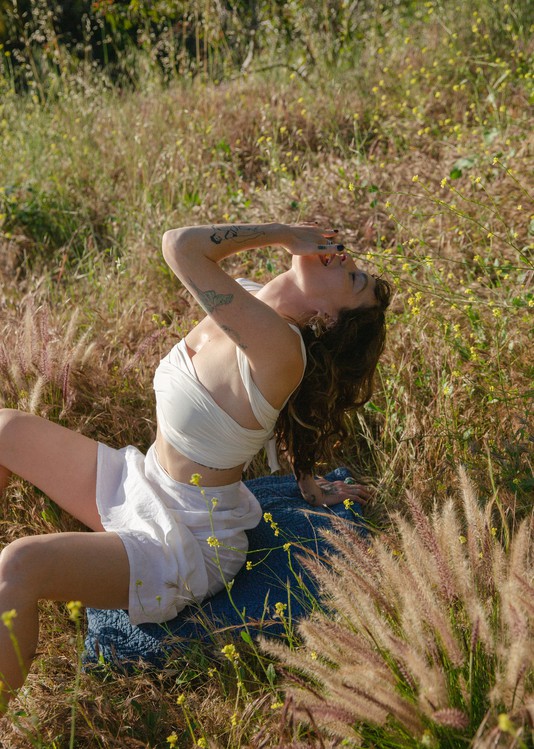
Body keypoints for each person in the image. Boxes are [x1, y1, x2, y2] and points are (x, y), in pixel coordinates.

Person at [0, 222, 390, 709]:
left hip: (185, 540)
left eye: (354, 280)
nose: (346, 259)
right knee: (4, 429)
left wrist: (285, 234)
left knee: (20, 564)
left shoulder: (280, 348)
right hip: (142, 481)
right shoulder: (250, 299)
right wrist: (309, 481)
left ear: (327, 319)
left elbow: (179, 246)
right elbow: (296, 412)